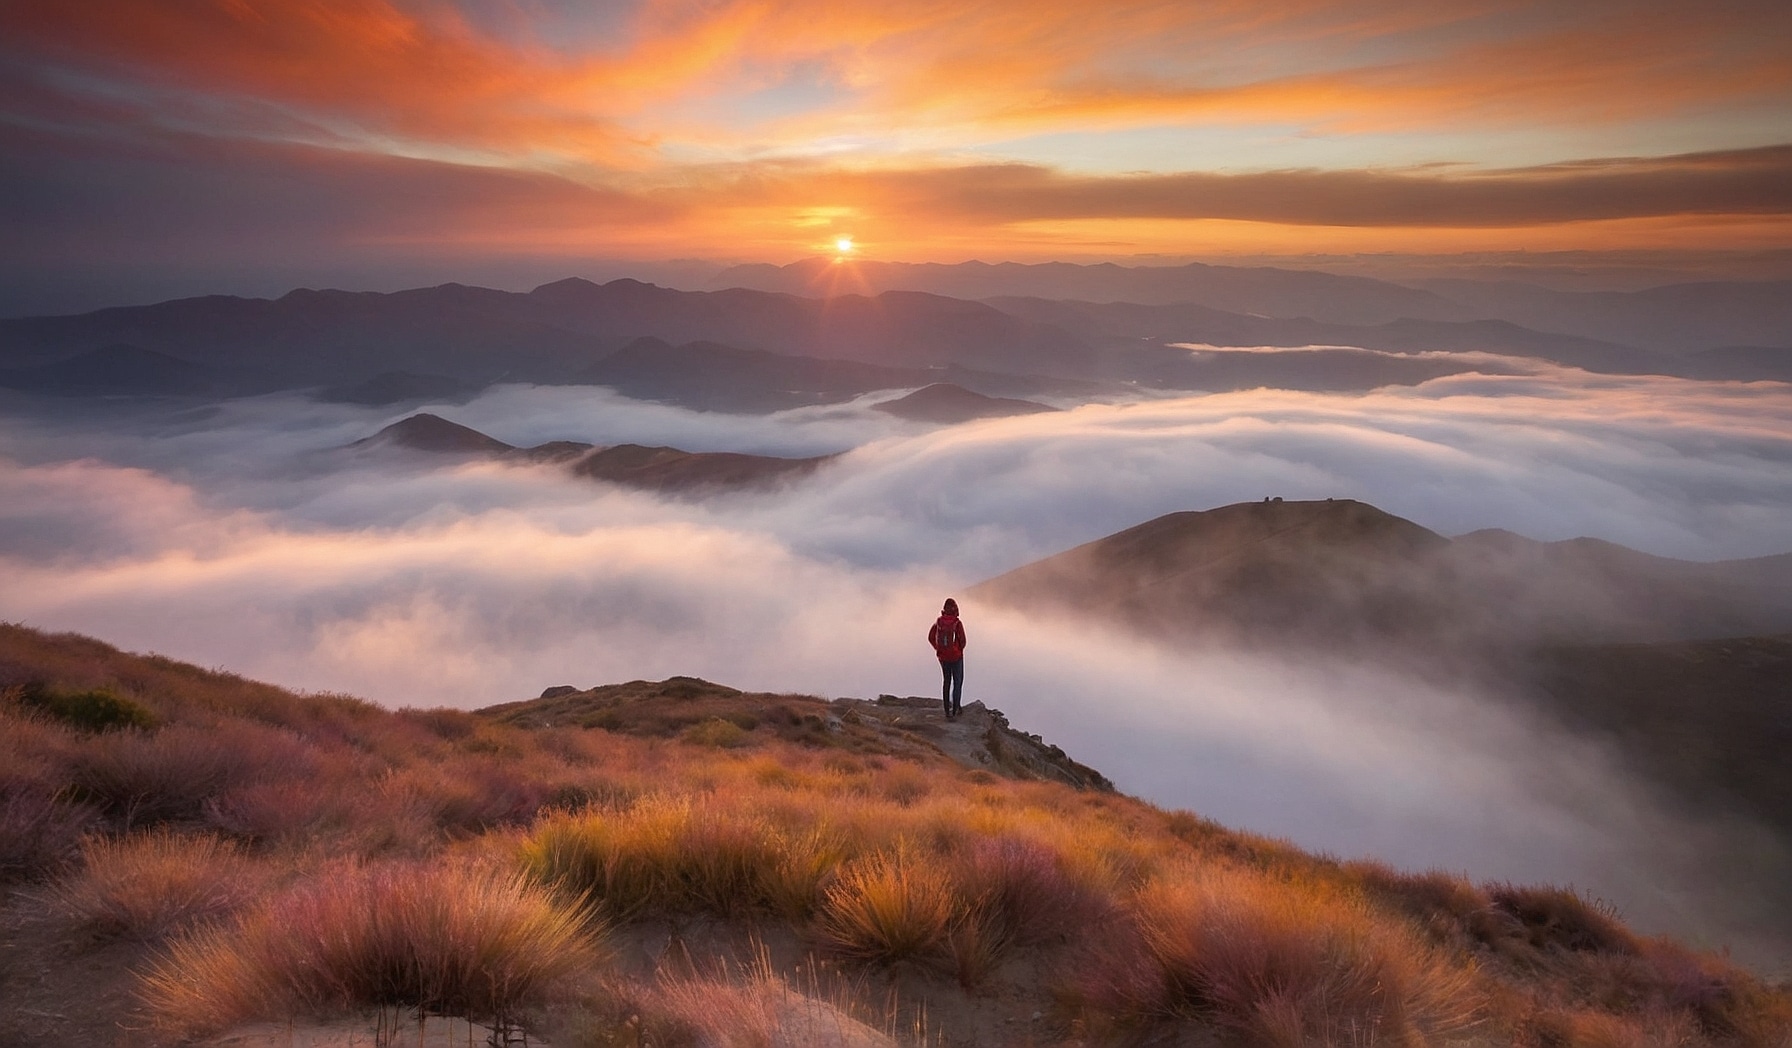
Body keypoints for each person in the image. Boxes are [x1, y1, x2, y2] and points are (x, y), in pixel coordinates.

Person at [928, 598, 967, 719]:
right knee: (958, 682)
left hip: (943, 657)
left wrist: (938, 649)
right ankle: (955, 709)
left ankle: (946, 711)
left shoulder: (939, 622)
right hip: (956, 657)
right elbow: (963, 641)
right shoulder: (957, 623)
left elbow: (930, 637)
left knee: (946, 681)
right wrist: (958, 650)